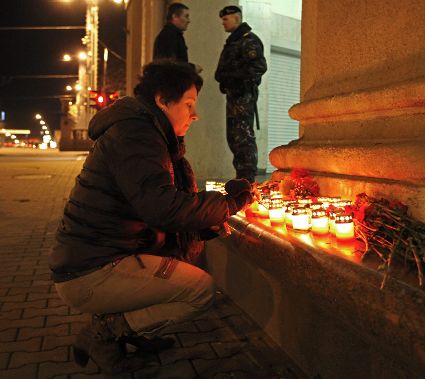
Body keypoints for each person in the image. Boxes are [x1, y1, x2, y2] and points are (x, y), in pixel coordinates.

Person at [49, 60, 256, 375]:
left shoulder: (144, 131)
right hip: (89, 270)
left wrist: (205, 221)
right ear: (162, 100)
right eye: (188, 104)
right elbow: (163, 207)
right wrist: (227, 204)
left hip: (101, 254)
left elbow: (160, 209)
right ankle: (106, 333)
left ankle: (127, 331)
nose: (194, 114)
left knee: (179, 269)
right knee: (200, 291)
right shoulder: (136, 135)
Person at [215, 5, 267, 184]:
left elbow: (258, 67)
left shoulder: (248, 40)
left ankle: (247, 179)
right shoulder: (233, 42)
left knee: (243, 137)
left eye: (226, 19)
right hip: (233, 96)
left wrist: (235, 79)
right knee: (234, 137)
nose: (223, 22)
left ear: (236, 18)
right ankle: (241, 178)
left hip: (243, 96)